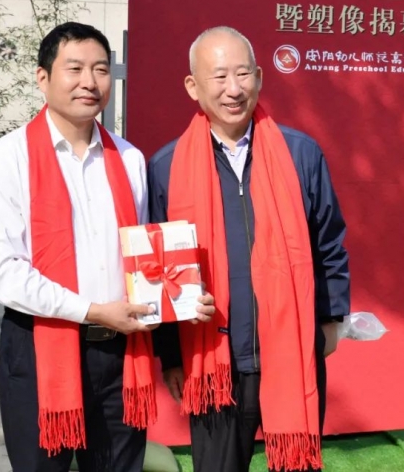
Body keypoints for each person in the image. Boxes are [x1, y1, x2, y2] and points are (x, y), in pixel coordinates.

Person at [0, 21, 215, 472]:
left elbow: (145, 260)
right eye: (75, 69)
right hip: (39, 349)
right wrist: (92, 311)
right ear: (43, 77)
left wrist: (180, 299)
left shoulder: (129, 158)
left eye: (101, 69)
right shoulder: (9, 157)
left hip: (122, 355)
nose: (89, 81)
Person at [148, 26, 351, 472]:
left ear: (259, 77)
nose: (233, 89)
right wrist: (172, 356)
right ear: (193, 86)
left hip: (292, 350)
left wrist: (329, 323)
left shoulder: (300, 154)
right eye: (219, 76)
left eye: (243, 74)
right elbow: (159, 272)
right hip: (212, 362)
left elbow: (329, 243)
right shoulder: (166, 167)